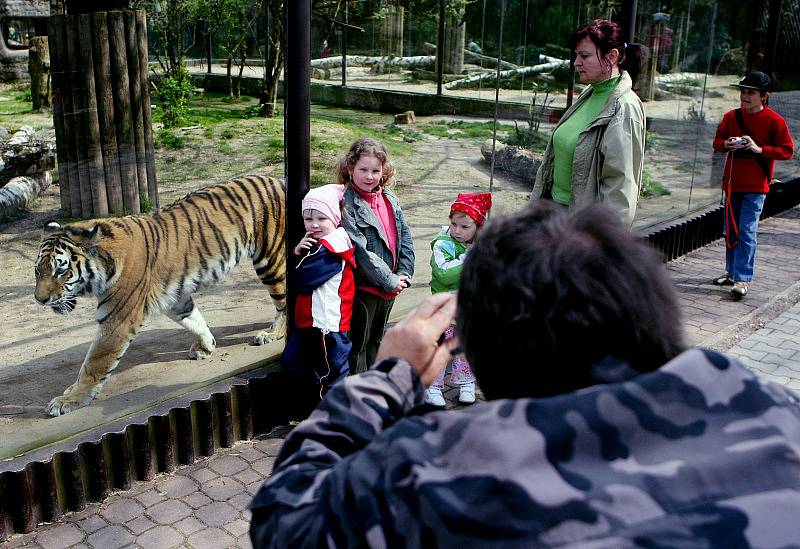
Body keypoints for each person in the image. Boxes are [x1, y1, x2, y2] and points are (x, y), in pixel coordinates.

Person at [249, 201, 800, 546]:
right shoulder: (776, 411)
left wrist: (390, 375)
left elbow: (285, 518)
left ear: (488, 354)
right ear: (652, 306)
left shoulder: (444, 470)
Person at [531, 19, 647, 226]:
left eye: (584, 56)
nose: (576, 62)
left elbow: (620, 187)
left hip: (583, 227)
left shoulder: (625, 107)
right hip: (556, 215)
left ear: (612, 57)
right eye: (577, 55)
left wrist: (605, 242)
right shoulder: (590, 93)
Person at [711, 71, 793, 299]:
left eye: (751, 93)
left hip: (756, 186)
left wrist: (759, 150)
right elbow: (717, 142)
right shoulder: (730, 117)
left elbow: (787, 151)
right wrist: (726, 144)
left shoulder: (775, 121)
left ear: (764, 96)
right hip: (731, 183)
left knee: (747, 231)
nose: (745, 97)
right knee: (731, 231)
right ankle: (731, 272)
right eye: (743, 92)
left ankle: (742, 279)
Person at [339, 137, 415, 375]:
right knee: (358, 346)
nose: (369, 176)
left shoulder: (390, 198)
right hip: (366, 290)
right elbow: (360, 251)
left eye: (375, 170)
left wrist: (404, 273)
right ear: (350, 168)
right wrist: (389, 280)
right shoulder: (346, 204)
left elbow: (405, 236)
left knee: (377, 342)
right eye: (363, 170)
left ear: (383, 171)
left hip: (391, 287)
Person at [281, 184, 355, 397]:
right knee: (293, 361)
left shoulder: (331, 248)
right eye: (308, 219)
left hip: (328, 324)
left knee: (333, 374)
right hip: (312, 321)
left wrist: (297, 256)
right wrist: (298, 252)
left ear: (335, 217)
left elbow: (303, 279)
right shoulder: (318, 244)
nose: (314, 225)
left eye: (321, 219)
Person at [425, 192, 492, 407]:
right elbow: (444, 274)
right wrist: (469, 258)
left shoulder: (485, 246)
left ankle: (466, 383)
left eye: (465, 227)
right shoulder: (442, 244)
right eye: (454, 224)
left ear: (478, 227)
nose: (457, 231)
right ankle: (434, 387)